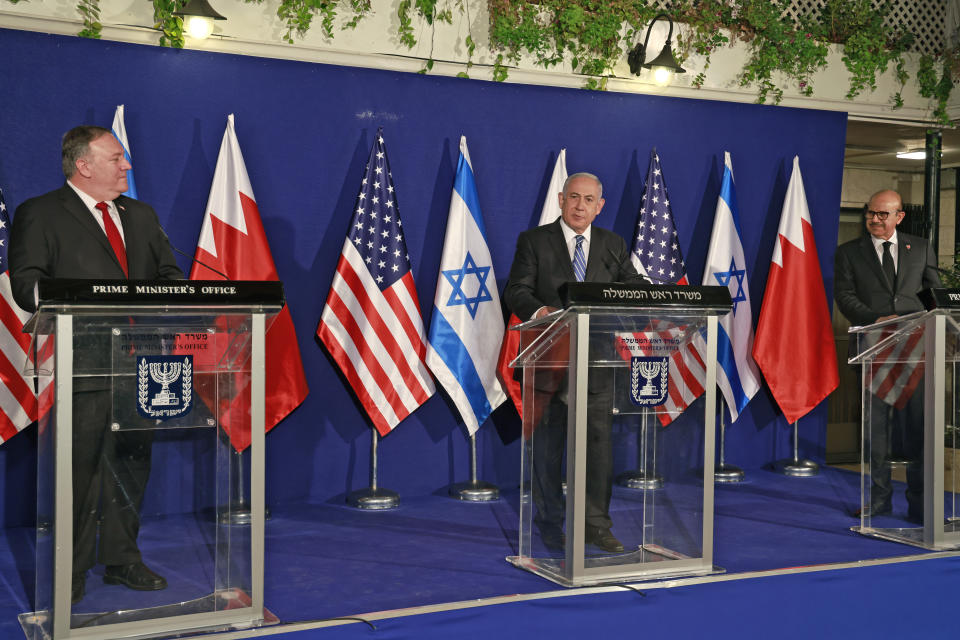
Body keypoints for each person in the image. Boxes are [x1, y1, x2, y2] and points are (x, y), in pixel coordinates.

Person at [9, 125, 184, 604]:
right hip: (82, 360)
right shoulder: (41, 213)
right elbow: (27, 285)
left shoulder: (141, 215)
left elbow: (170, 275)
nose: (126, 166)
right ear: (82, 165)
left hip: (145, 361)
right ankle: (73, 567)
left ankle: (123, 558)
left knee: (131, 464)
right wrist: (86, 299)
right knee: (81, 468)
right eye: (116, 158)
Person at [504, 172, 642, 553]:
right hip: (548, 362)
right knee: (548, 452)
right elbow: (516, 290)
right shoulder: (534, 241)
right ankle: (550, 525)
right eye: (574, 198)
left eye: (589, 200)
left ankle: (595, 525)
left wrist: (650, 297)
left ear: (600, 207)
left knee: (598, 450)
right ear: (561, 200)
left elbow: (631, 285)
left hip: (597, 365)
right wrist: (545, 311)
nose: (580, 206)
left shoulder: (612, 245)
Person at [834, 188, 939, 523]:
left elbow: (933, 293)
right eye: (870, 213)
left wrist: (935, 316)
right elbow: (844, 295)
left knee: (917, 431)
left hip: (916, 351)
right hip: (873, 347)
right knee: (875, 432)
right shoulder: (849, 252)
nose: (874, 219)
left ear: (899, 216)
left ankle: (920, 505)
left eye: (882, 214)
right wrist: (872, 319)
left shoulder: (920, 248)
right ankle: (879, 500)